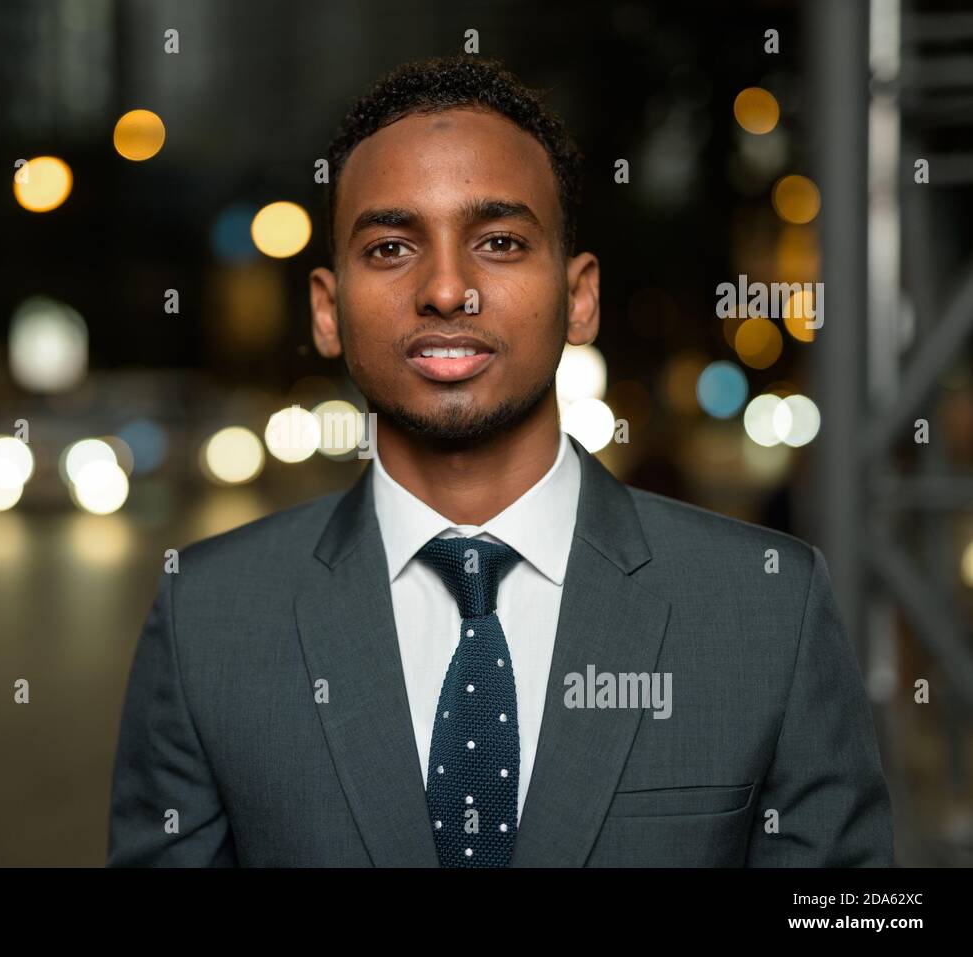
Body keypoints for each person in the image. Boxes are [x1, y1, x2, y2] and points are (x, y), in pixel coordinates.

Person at [107, 55, 893, 867]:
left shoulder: (768, 609)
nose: (448, 289)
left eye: (501, 241)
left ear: (579, 296)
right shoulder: (208, 622)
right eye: (389, 247)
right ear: (327, 309)